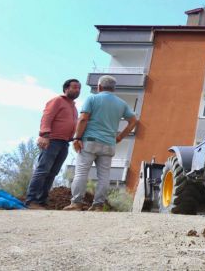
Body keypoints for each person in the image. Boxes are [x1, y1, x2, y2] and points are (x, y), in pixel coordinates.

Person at [64, 75, 138, 211]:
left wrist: (76, 138)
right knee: (104, 176)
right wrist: (120, 137)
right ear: (113, 88)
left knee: (81, 173)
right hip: (109, 144)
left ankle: (76, 203)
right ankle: (98, 205)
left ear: (99, 87)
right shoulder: (121, 104)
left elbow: (83, 119)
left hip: (89, 142)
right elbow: (133, 121)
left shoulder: (92, 98)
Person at [24, 79, 81, 209]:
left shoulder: (74, 108)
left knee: (52, 173)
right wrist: (44, 135)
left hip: (64, 143)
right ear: (66, 88)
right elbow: (47, 117)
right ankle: (31, 201)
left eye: (79, 88)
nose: (77, 90)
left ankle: (41, 201)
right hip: (52, 140)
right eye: (74, 87)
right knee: (42, 170)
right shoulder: (57, 101)